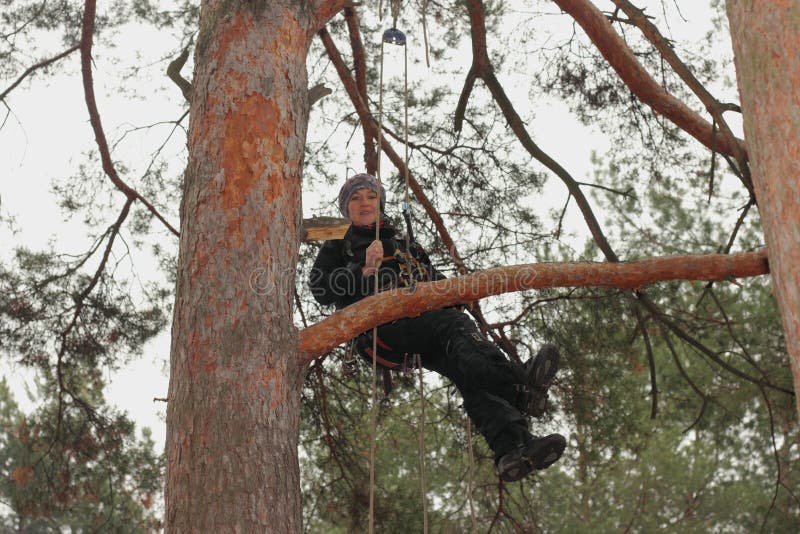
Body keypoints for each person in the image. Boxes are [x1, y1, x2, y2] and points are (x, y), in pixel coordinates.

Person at [309, 173, 566, 482]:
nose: (364, 202)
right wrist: (362, 266)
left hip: (421, 329)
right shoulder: (342, 243)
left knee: (468, 367)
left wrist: (460, 295)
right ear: (346, 209)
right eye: (355, 198)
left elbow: (434, 279)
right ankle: (519, 384)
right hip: (381, 332)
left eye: (370, 196)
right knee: (455, 326)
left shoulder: (407, 247)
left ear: (381, 203)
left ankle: (513, 448)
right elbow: (321, 289)